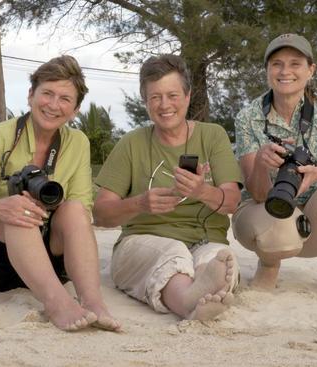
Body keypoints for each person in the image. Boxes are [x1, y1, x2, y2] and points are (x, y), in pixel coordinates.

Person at [0, 55, 120, 331]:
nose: (54, 105)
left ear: (75, 110)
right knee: (21, 210)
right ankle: (57, 303)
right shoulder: (0, 136)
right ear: (31, 95)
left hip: (45, 259)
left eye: (65, 99)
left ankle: (92, 301)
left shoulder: (77, 142)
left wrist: (51, 205)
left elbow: (82, 211)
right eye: (47, 93)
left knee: (75, 209)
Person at [93, 54, 243, 321]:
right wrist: (139, 204)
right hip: (143, 240)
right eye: (155, 97)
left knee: (217, 258)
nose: (164, 105)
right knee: (172, 254)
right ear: (145, 101)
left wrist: (201, 191)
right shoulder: (131, 143)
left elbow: (232, 202)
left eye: (172, 95)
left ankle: (204, 286)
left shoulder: (213, 136)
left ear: (187, 96)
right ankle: (189, 302)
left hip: (205, 239)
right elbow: (101, 215)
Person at [232, 34, 317, 295]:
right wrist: (262, 162)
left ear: (311, 70)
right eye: (276, 64)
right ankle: (269, 266)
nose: (285, 71)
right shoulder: (248, 116)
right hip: (265, 212)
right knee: (275, 215)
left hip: (314, 220)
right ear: (267, 71)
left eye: (295, 63)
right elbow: (258, 193)